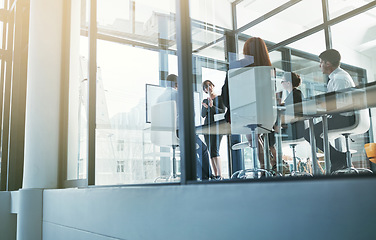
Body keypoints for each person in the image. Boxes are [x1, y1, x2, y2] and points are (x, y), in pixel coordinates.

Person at [221, 37, 277, 170]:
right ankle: (268, 166)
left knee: (253, 138)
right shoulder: (269, 68)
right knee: (257, 136)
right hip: (267, 114)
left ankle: (264, 168)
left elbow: (226, 93)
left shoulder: (238, 65)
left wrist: (231, 108)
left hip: (244, 114)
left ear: (246, 50)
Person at [303, 49, 356, 172]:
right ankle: (338, 157)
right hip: (342, 116)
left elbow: (340, 105)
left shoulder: (339, 79)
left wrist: (321, 108)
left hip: (345, 118)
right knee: (311, 132)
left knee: (309, 133)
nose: (319, 65)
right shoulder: (336, 77)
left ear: (328, 64)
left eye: (321, 62)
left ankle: (339, 158)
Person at [156, 74, 211, 180]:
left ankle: (198, 176)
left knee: (191, 150)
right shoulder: (178, 94)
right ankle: (206, 178)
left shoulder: (159, 98)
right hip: (180, 131)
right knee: (201, 149)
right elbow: (189, 114)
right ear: (176, 84)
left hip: (165, 134)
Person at [201, 80, 225, 179]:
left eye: (209, 85)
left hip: (217, 127)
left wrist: (212, 106)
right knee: (211, 151)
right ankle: (215, 175)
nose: (208, 88)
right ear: (205, 90)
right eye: (206, 87)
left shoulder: (220, 98)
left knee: (215, 150)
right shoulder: (205, 100)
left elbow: (222, 111)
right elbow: (203, 115)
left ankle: (220, 175)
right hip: (207, 127)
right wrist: (206, 107)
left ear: (213, 86)